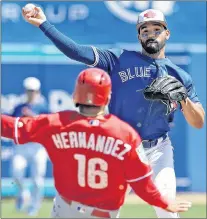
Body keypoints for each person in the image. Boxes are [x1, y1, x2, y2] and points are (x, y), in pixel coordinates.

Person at [22, 7, 205, 218]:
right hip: (121, 149)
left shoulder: (179, 75)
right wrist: (45, 25)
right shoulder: (119, 59)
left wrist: (183, 99)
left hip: (158, 151)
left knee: (167, 212)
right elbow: (76, 51)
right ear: (139, 36)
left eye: (156, 29)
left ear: (167, 33)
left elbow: (198, 121)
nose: (150, 34)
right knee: (101, 212)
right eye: (144, 30)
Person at [1, 68, 192, 218]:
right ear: (108, 97)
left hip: (64, 209)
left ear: (75, 96)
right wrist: (163, 202)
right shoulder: (125, 134)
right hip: (104, 214)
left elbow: (11, 127)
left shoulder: (56, 123)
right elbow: (142, 182)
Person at [10, 77, 49, 216]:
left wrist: (34, 117)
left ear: (38, 91)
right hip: (21, 146)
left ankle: (34, 206)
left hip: (38, 147)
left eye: (33, 91)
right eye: (28, 90)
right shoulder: (18, 107)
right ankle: (23, 194)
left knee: (38, 179)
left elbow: (49, 125)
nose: (31, 93)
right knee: (16, 172)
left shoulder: (44, 107)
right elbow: (10, 124)